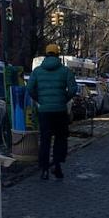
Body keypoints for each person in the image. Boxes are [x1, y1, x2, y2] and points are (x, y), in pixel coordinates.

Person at [26, 44, 78, 181]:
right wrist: (64, 98)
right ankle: (57, 165)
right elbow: (73, 89)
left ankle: (44, 169)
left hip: (44, 112)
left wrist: (40, 100)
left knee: (45, 140)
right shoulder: (65, 71)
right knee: (61, 139)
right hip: (60, 111)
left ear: (46, 54)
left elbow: (30, 89)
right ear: (57, 55)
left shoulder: (37, 71)